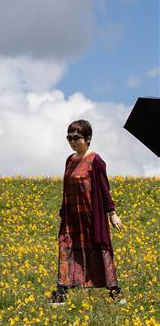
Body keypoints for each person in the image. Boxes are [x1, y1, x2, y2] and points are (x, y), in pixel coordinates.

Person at [50, 120, 124, 306]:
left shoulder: (96, 161)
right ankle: (61, 292)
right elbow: (66, 188)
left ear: (88, 138)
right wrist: (62, 211)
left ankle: (115, 291)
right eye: (69, 138)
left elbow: (104, 188)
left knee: (99, 250)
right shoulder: (69, 160)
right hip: (71, 217)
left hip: (91, 217)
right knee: (66, 250)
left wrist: (111, 213)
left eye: (77, 137)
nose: (73, 141)